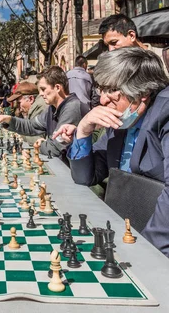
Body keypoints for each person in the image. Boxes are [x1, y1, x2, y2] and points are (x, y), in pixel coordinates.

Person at [53, 48, 169, 257]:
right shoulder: (120, 123)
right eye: (101, 90)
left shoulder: (165, 112)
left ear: (142, 93)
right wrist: (84, 130)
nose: (103, 100)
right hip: (122, 229)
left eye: (111, 90)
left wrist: (146, 253)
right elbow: (85, 177)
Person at [0, 66, 82, 158]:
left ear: (57, 87)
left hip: (68, 170)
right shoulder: (53, 108)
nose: (40, 94)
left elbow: (55, 148)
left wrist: (40, 145)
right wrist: (7, 119)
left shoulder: (71, 108)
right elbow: (32, 125)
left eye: (43, 89)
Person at [6, 81, 47, 145]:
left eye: (19, 103)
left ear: (31, 99)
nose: (19, 108)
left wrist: (20, 134)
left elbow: (37, 139)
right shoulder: (35, 106)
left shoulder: (40, 108)